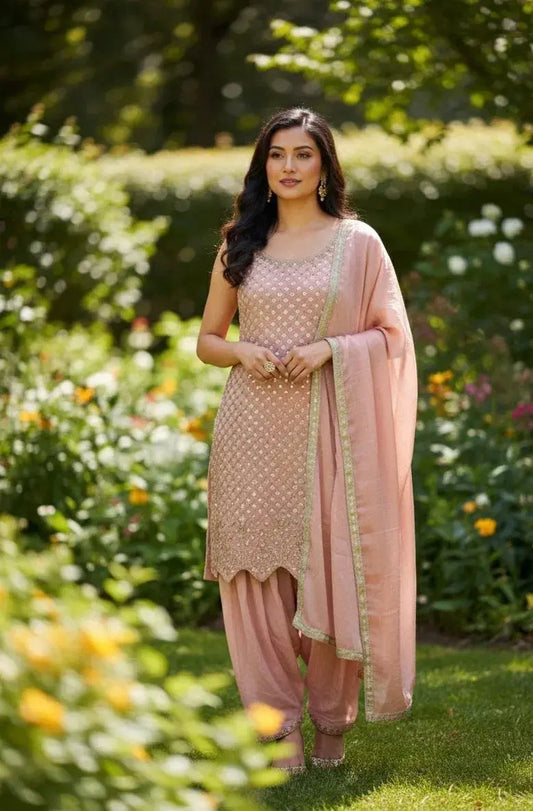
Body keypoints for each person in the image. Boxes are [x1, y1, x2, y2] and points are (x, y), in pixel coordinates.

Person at [196, 107, 418, 775]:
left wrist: (329, 348)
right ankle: (278, 730)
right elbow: (208, 339)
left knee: (331, 567)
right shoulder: (240, 243)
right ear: (262, 166)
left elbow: (391, 335)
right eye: (276, 155)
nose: (288, 166)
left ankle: (330, 726)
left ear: (324, 166)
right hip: (251, 428)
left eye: (302, 154)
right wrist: (243, 353)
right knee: (253, 576)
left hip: (332, 431)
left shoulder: (357, 243)